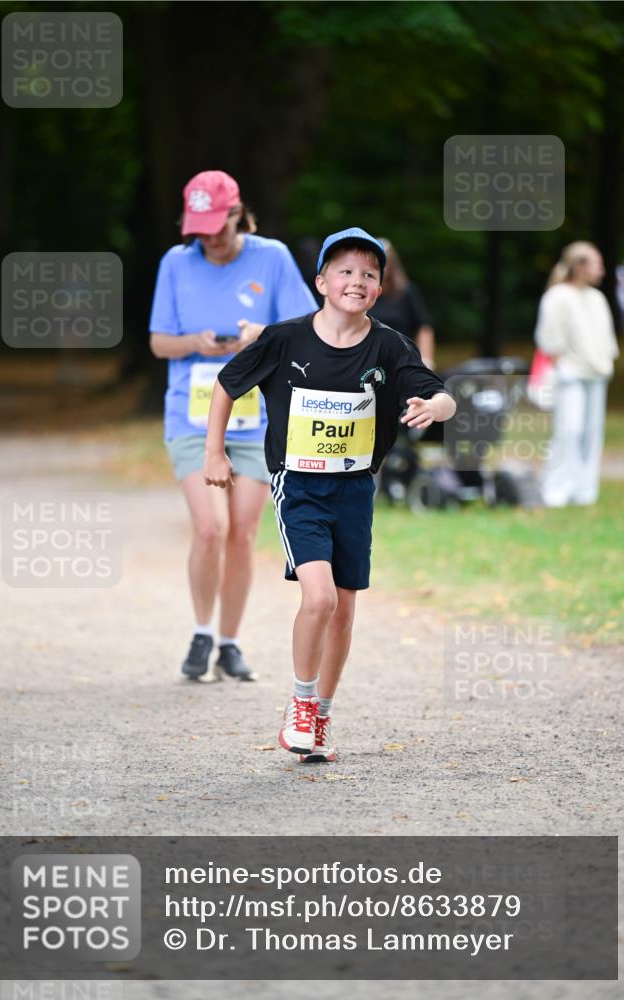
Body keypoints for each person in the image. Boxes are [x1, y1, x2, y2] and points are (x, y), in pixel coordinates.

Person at [203, 227, 456, 761]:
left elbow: (440, 393)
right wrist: (214, 453)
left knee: (343, 610)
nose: (356, 281)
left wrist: (436, 408)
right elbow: (228, 384)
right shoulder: (285, 338)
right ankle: (298, 704)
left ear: (381, 288)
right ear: (321, 282)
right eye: (345, 271)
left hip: (356, 488)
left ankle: (321, 712)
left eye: (369, 274)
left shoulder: (389, 345)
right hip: (298, 486)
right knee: (317, 597)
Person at [149, 170, 316, 681]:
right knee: (209, 527)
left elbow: (308, 332)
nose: (210, 239)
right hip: (192, 418)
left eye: (218, 227)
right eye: (198, 229)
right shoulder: (176, 263)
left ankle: (230, 642)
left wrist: (257, 335)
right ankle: (201, 632)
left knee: (241, 533)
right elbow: (159, 343)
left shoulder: (272, 257)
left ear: (238, 213)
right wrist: (194, 342)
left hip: (257, 420)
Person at [535, 241, 619, 507]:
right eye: (596, 264)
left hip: (597, 373)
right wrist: (562, 362)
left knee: (591, 433)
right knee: (569, 431)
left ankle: (585, 491)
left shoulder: (597, 298)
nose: (601, 271)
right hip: (570, 374)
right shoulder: (557, 296)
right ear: (579, 266)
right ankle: (556, 491)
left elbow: (606, 339)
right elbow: (549, 339)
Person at [369, 239, 435, 367]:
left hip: (402, 361)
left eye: (383, 263)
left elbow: (423, 327)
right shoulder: (360, 293)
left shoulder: (406, 291)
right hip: (368, 362)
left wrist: (426, 361)